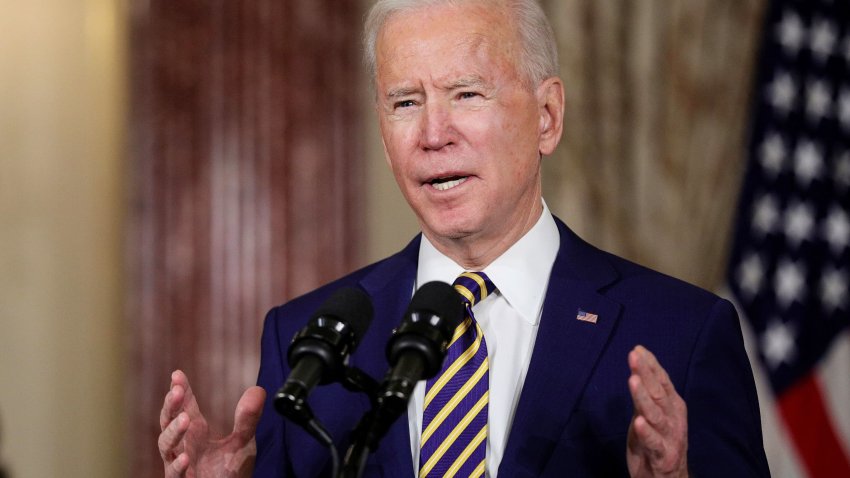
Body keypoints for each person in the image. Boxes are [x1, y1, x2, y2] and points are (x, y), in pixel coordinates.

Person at [158, 0, 771, 476]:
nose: (433, 133)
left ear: (547, 117)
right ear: (382, 131)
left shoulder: (681, 334)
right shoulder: (307, 341)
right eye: (405, 102)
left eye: (466, 94)